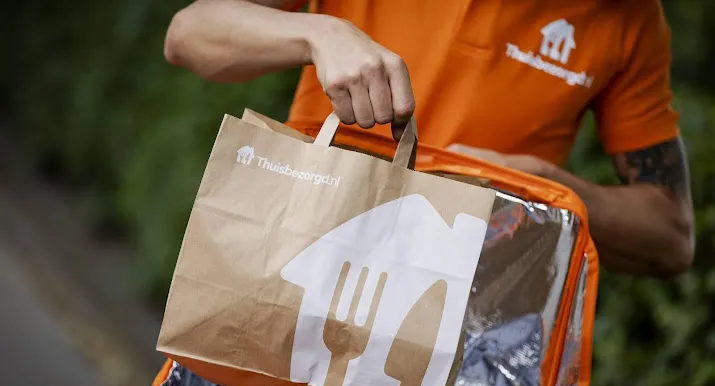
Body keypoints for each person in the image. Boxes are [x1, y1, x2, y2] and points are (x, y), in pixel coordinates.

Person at [163, 0, 694, 279]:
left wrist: (538, 186)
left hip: (460, 328)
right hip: (289, 266)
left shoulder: (631, 18)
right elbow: (189, 34)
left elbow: (671, 239)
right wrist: (319, 33)